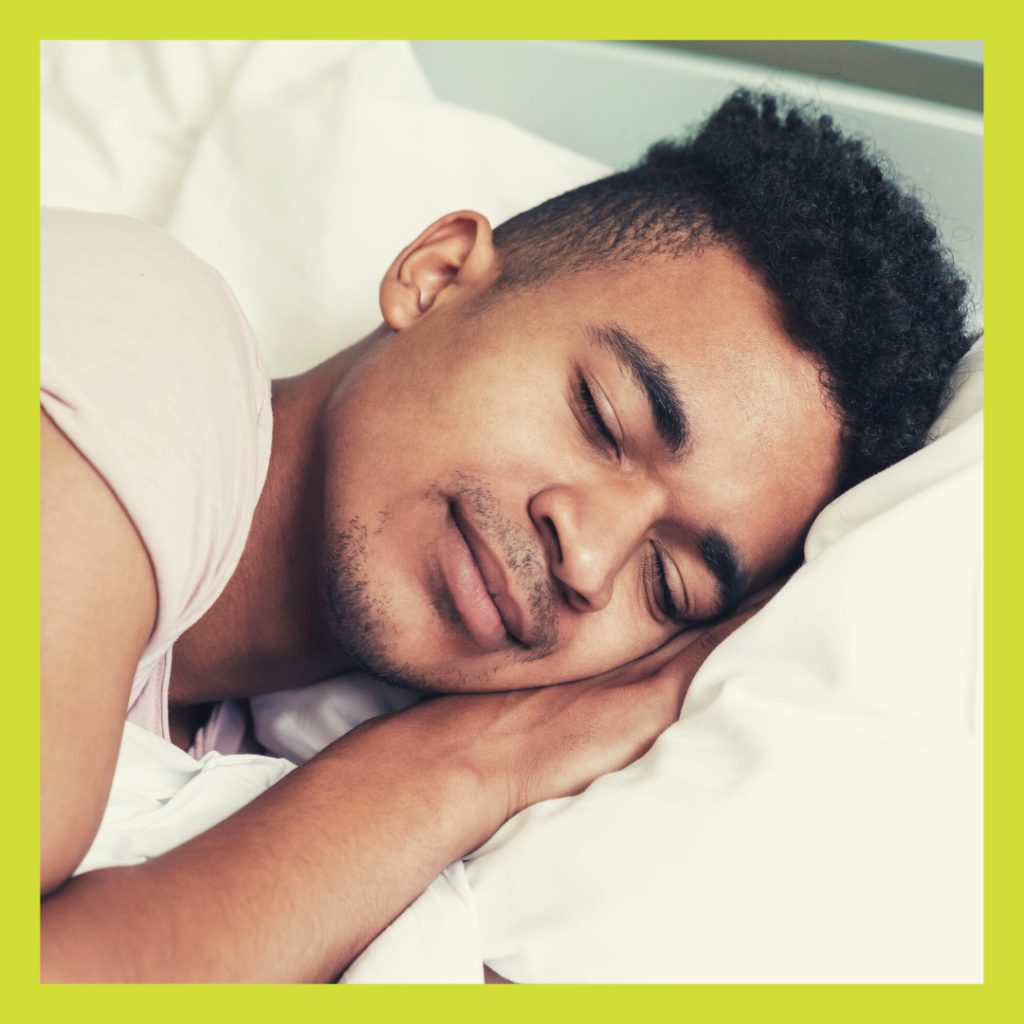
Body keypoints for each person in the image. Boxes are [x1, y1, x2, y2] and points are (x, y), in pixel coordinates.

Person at [40, 90, 972, 982]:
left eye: (670, 584)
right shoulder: (138, 335)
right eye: (603, 418)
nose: (592, 559)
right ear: (436, 277)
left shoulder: (245, 762)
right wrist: (470, 761)